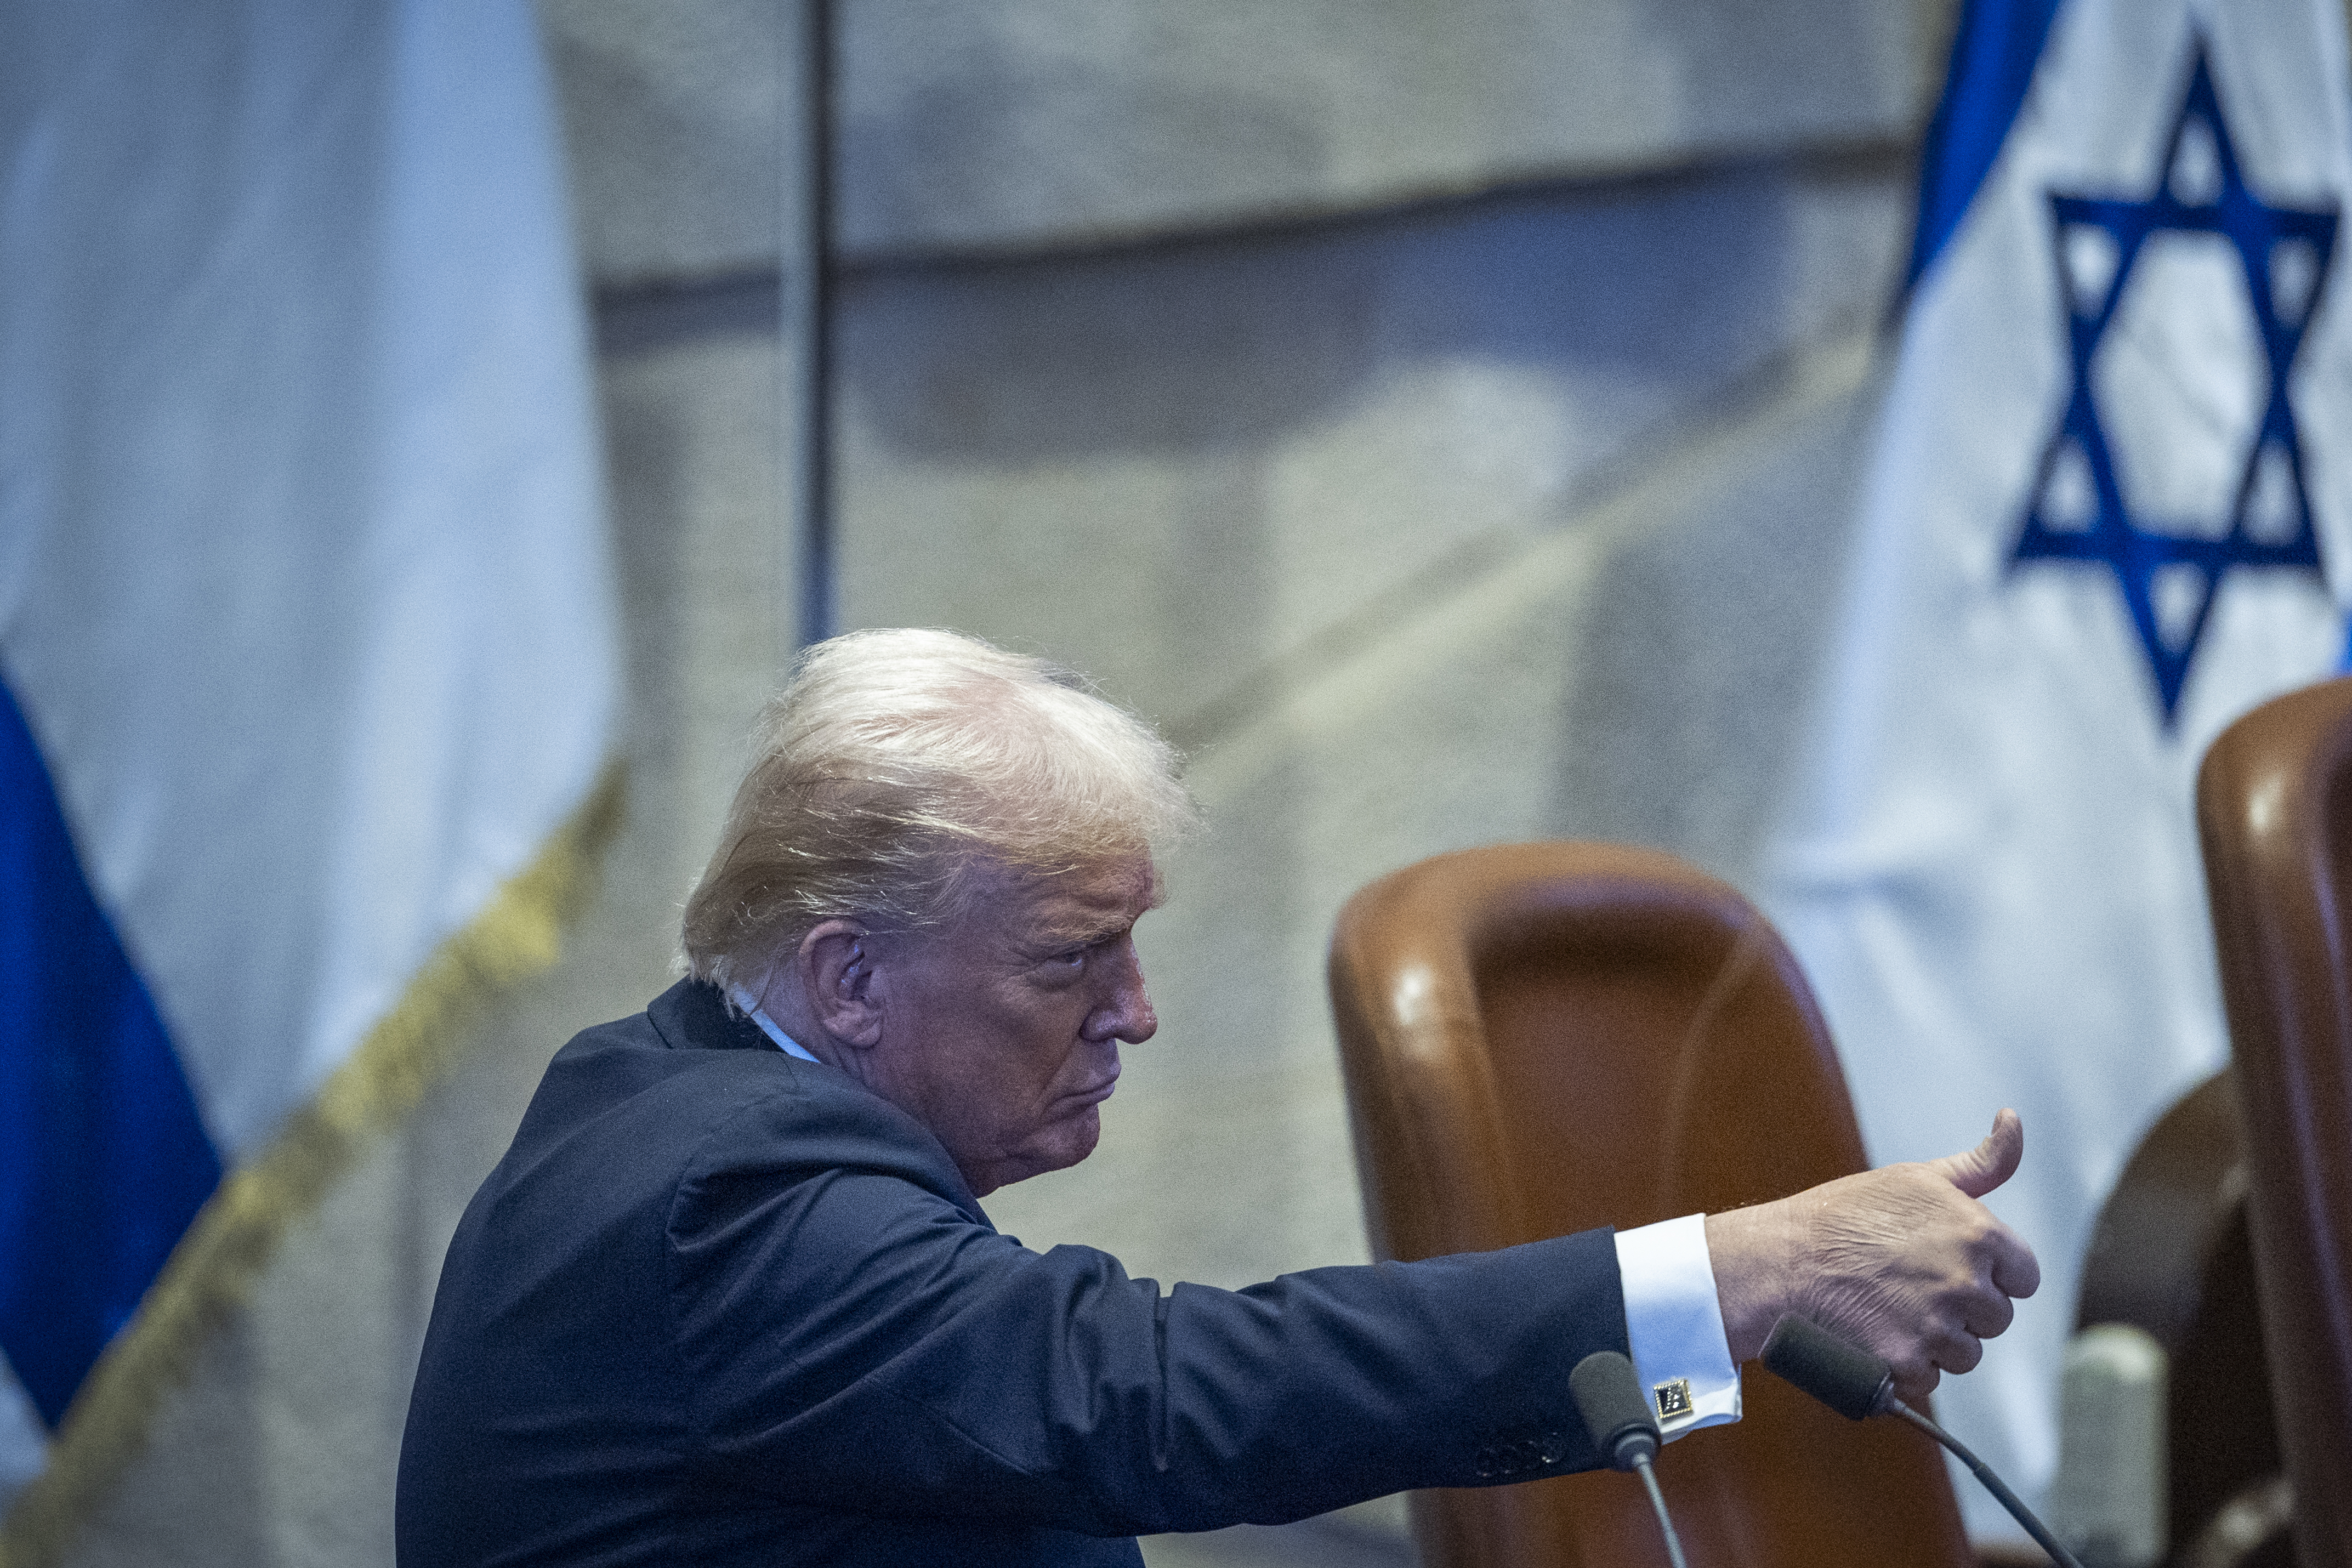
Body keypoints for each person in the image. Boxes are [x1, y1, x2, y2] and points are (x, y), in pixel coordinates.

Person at [396, 628, 2040, 1567]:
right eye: (1069, 959)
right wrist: (1739, 1280)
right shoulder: (731, 1202)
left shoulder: (669, 1089)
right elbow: (1158, 1398)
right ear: (851, 979)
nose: (1136, 1012)